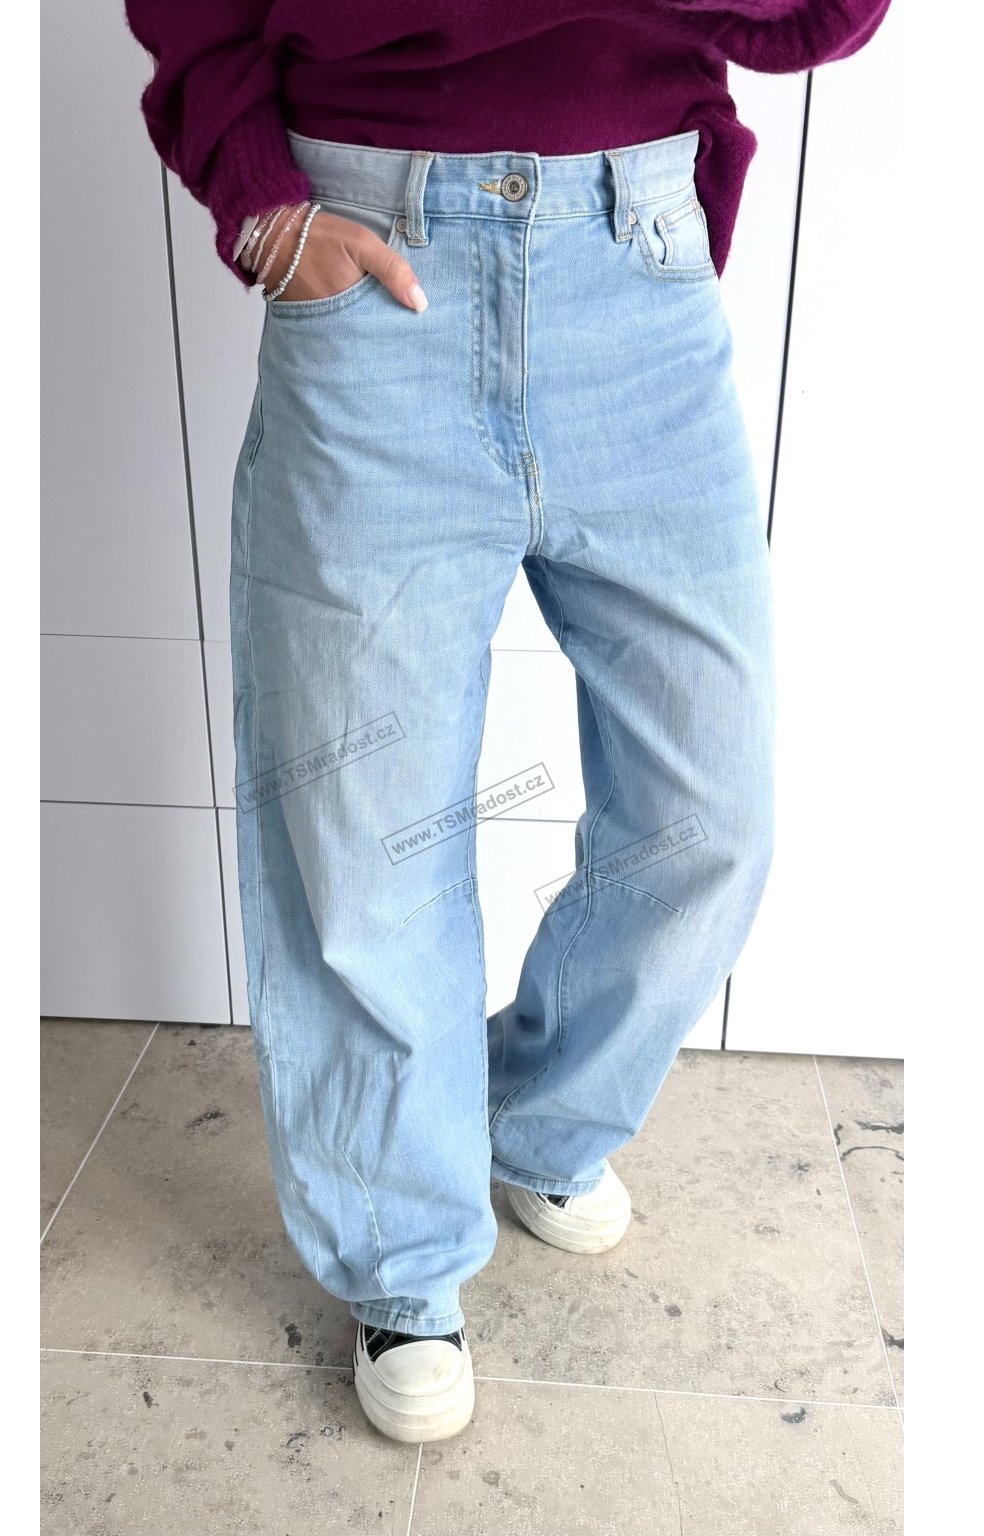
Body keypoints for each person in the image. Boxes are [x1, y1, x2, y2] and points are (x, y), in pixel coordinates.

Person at [123, 0, 892, 1445]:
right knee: (366, 833)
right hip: (372, 262)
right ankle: (403, 1253)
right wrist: (264, 205)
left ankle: (530, 1117)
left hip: (634, 261)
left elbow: (822, 18)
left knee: (709, 813)